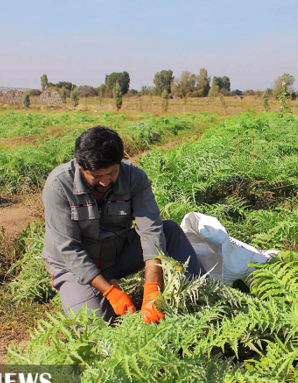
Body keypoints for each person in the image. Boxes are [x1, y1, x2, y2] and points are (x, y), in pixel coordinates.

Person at [41, 126, 205, 324]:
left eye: (111, 173)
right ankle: (85, 290)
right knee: (98, 326)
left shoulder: (134, 178)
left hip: (115, 254)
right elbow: (69, 250)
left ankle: (203, 299)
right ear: (80, 167)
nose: (104, 182)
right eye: (96, 176)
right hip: (73, 266)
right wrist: (109, 291)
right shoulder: (59, 186)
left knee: (169, 231)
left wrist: (152, 287)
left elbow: (150, 231)